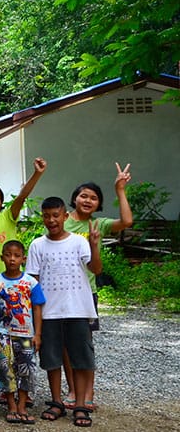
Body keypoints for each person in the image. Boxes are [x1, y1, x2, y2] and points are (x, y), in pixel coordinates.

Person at [26, 197, 102, 428]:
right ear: (42, 218)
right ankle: (57, 401)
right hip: (49, 312)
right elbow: (33, 283)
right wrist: (33, 315)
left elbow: (96, 269)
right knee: (51, 360)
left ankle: (79, 404)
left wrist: (95, 244)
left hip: (77, 309)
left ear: (65, 216)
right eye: (47, 216)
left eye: (56, 215)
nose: (51, 220)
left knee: (80, 358)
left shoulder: (79, 242)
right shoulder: (37, 245)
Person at [63, 163, 133, 411]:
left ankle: (88, 391)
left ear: (98, 204)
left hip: (85, 293)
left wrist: (120, 189)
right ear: (74, 198)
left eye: (93, 198)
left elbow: (126, 221)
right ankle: (72, 389)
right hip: (60, 293)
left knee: (84, 344)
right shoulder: (62, 221)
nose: (87, 200)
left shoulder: (98, 225)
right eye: (83, 195)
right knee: (64, 345)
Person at [0, 240, 46, 425]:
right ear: (2, 257)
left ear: (23, 259)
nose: (12, 259)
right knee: (5, 367)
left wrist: (37, 334)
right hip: (3, 333)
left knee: (27, 369)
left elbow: (37, 308)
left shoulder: (31, 283)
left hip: (26, 333)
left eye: (17, 255)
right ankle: (11, 405)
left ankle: (22, 405)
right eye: (8, 255)